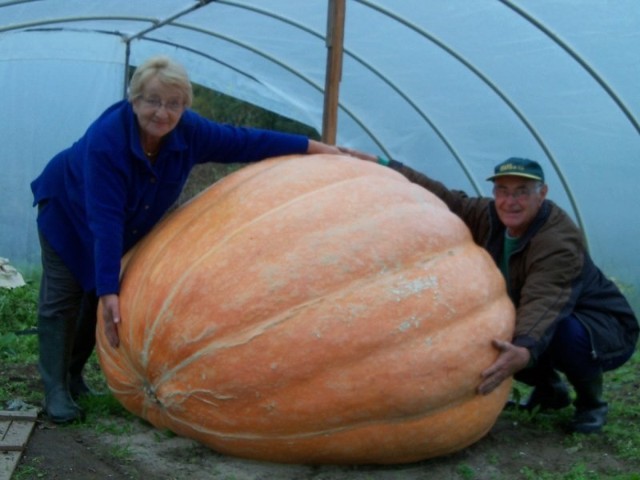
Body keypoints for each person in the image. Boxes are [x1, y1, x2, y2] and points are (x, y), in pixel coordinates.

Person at [31, 55, 357, 424]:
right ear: (134, 99)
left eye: (174, 103)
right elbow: (103, 220)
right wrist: (108, 288)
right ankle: (54, 389)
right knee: (66, 298)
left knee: (97, 298)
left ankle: (72, 376)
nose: (162, 112)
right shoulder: (108, 142)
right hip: (67, 211)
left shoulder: (189, 132)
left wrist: (314, 148)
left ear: (184, 106)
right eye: (153, 100)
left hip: (118, 225)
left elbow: (246, 142)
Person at [346, 152, 638, 434]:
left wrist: (523, 349)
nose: (510, 201)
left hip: (602, 328)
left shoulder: (557, 240)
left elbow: (545, 300)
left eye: (522, 192)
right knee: (494, 329)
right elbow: (448, 199)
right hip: (546, 315)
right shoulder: (490, 216)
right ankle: (550, 390)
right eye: (502, 191)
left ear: (542, 193)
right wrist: (386, 164)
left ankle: (591, 404)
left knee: (559, 333)